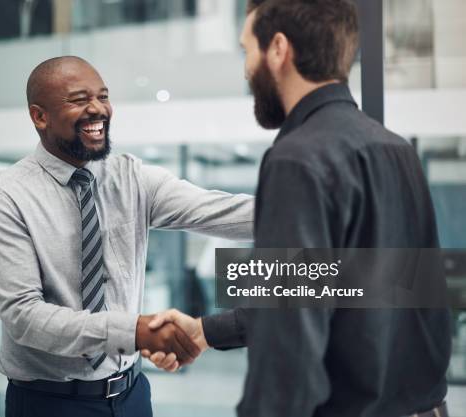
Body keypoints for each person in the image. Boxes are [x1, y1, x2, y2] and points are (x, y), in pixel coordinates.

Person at [142, 1, 452, 416]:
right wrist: (204, 331)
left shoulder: (298, 158)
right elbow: (340, 288)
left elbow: (288, 351)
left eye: (246, 50)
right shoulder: (397, 150)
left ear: (278, 49)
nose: (246, 69)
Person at [0, 56, 253, 417]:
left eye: (103, 96)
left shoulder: (131, 177)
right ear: (39, 116)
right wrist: (134, 332)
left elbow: (219, 211)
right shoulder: (4, 198)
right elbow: (24, 317)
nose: (98, 109)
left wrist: (320, 207)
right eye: (78, 100)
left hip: (132, 395)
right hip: (51, 403)